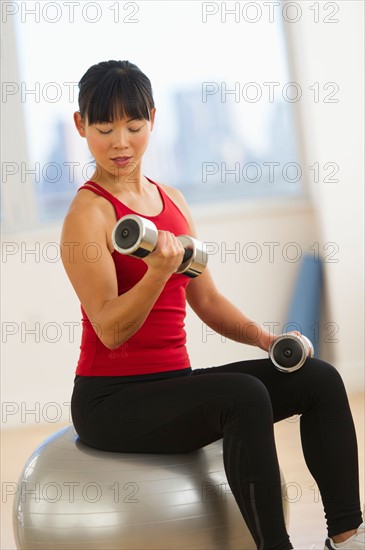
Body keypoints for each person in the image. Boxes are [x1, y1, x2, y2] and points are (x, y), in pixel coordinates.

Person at [61, 60, 364, 550]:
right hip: (110, 401)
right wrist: (158, 272)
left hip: (171, 386)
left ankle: (347, 537)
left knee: (318, 379)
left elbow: (207, 299)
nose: (121, 142)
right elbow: (111, 329)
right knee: (242, 396)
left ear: (153, 119)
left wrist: (265, 339)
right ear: (81, 126)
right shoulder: (88, 213)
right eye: (105, 127)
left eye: (134, 126)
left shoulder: (171, 199)